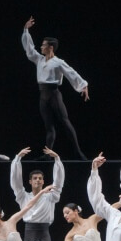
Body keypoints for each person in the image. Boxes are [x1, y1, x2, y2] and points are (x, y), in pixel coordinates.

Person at [21, 16, 89, 161]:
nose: (41, 47)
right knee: (49, 127)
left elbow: (71, 73)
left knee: (65, 121)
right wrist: (26, 30)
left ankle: (77, 151)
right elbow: (29, 49)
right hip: (43, 95)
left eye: (44, 45)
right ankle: (48, 154)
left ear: (50, 47)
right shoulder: (39, 59)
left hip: (54, 94)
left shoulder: (58, 62)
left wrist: (83, 85)